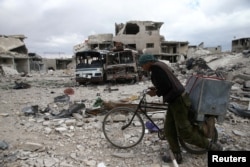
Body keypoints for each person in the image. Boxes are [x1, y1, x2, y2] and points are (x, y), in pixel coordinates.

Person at [138, 54, 222, 164]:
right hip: (174, 101)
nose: (142, 67)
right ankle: (177, 155)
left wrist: (156, 92)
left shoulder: (155, 69)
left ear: (148, 62)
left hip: (178, 101)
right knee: (169, 129)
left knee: (185, 132)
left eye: (142, 65)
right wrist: (156, 88)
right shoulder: (160, 65)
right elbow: (166, 82)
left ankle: (211, 146)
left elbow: (166, 86)